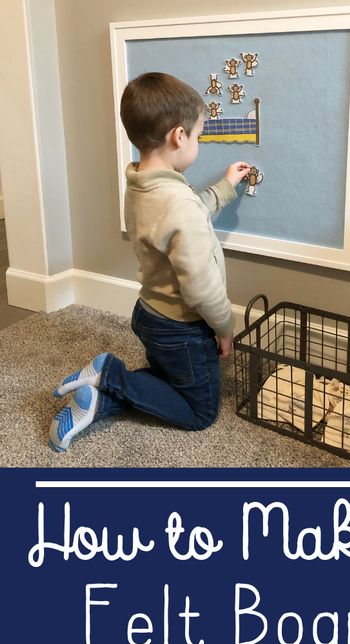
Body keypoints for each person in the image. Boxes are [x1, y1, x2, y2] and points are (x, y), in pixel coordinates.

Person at [49, 72, 250, 452]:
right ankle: (110, 372)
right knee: (199, 411)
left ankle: (99, 400)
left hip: (150, 315)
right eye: (199, 136)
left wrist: (225, 187)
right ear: (179, 136)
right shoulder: (178, 202)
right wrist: (225, 327)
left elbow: (191, 210)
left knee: (166, 382)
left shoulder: (143, 184)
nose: (199, 143)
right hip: (182, 329)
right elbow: (201, 286)